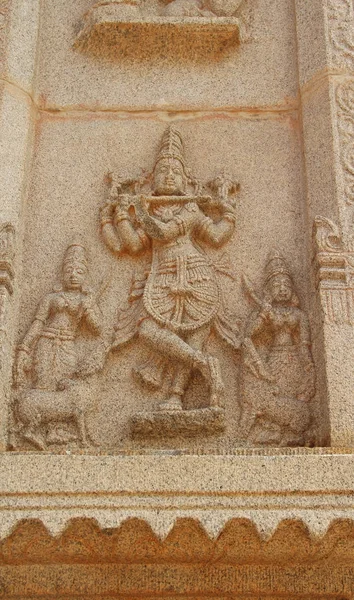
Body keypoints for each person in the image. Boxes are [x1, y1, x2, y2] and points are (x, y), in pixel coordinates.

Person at [102, 127, 240, 411]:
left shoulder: (189, 209)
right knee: (146, 330)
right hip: (161, 278)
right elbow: (132, 245)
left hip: (195, 274)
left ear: (185, 179)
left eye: (175, 172)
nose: (168, 175)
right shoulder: (151, 209)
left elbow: (209, 236)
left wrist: (227, 210)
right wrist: (117, 213)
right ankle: (204, 365)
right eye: (162, 171)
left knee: (195, 335)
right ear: (152, 178)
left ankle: (176, 395)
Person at [240, 251, 316, 446]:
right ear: (268, 290)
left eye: (286, 285)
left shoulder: (299, 315)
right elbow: (249, 335)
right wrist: (263, 314)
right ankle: (271, 430)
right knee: (273, 396)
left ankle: (292, 433)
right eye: (277, 286)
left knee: (291, 395)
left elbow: (304, 344)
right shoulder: (265, 311)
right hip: (272, 360)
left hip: (294, 360)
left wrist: (308, 367)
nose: (282, 289)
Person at [15, 243, 102, 392]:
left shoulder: (86, 300)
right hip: (46, 343)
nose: (73, 275)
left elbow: (97, 329)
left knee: (64, 386)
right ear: (62, 274)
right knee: (42, 384)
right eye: (69, 270)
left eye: (79, 271)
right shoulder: (50, 298)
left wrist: (88, 309)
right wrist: (24, 347)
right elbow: (38, 323)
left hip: (68, 346)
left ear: (85, 275)